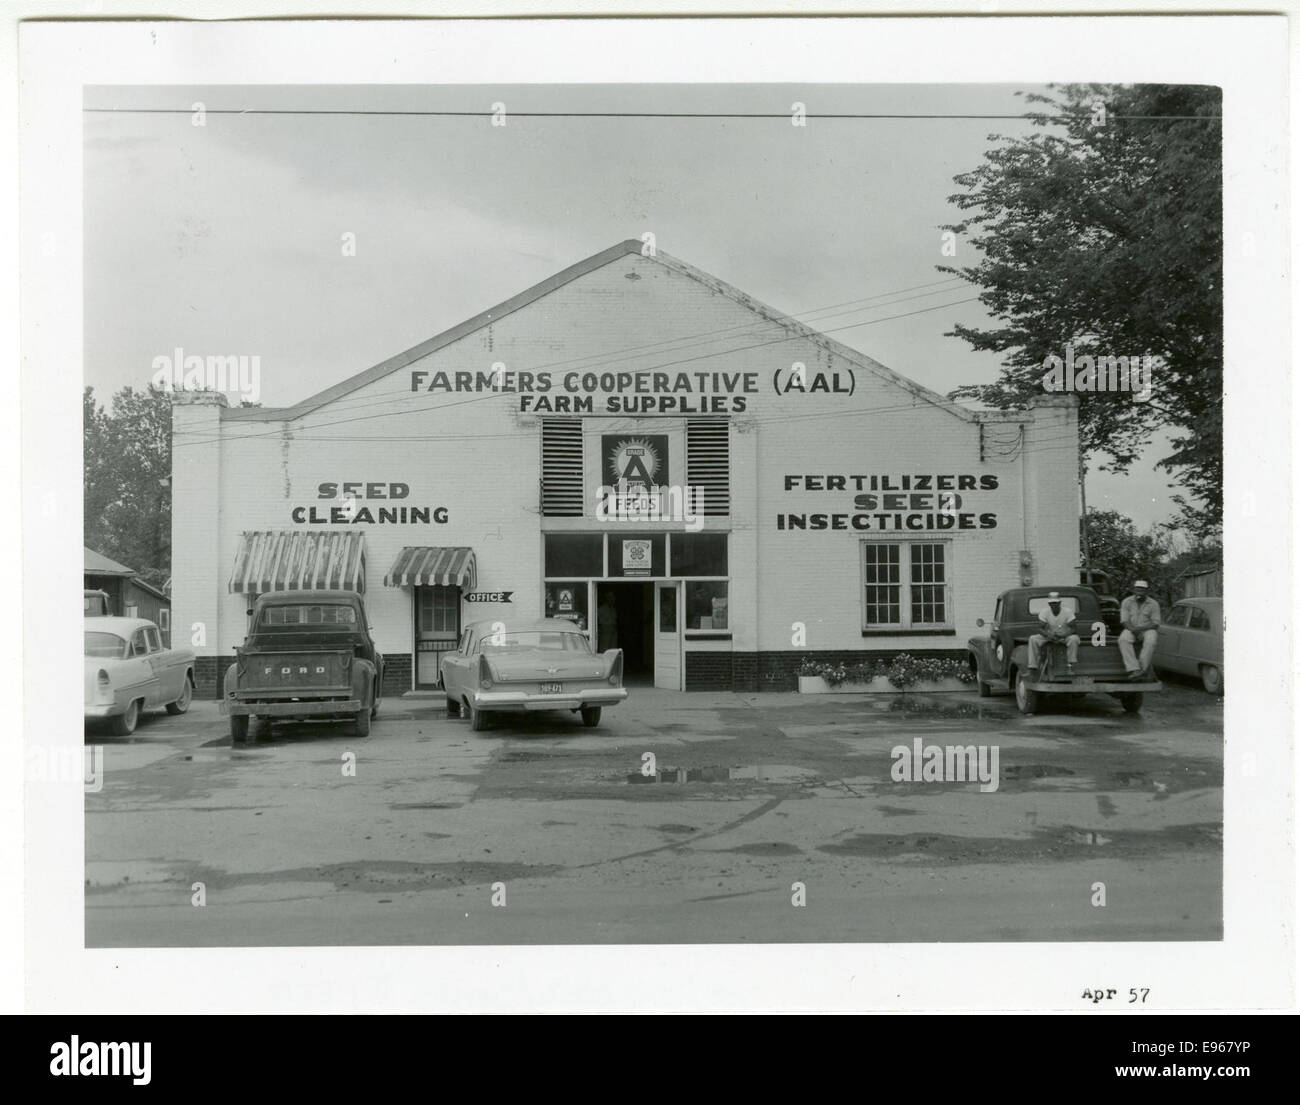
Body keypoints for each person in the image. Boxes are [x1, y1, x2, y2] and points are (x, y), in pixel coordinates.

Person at [1028, 591, 1079, 677]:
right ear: (1049, 604)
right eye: (1051, 603)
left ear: (1059, 603)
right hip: (1050, 635)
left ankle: (1071, 665)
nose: (1053, 605)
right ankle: (1033, 666)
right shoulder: (1045, 612)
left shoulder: (1067, 612)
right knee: (1033, 639)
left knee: (1074, 639)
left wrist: (1064, 635)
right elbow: (1040, 628)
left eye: (1055, 603)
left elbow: (1074, 628)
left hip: (1064, 635)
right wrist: (1048, 635)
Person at [1118, 579, 1161, 680]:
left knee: (1151, 641)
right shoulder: (1127, 602)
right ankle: (1134, 668)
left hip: (1147, 628)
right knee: (1123, 639)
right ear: (1133, 590)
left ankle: (1142, 668)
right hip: (1131, 628)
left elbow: (1155, 623)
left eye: (1142, 590)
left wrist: (1141, 629)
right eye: (1137, 590)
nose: (1139, 593)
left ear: (1147, 591)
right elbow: (1124, 620)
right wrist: (1135, 631)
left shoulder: (1153, 604)